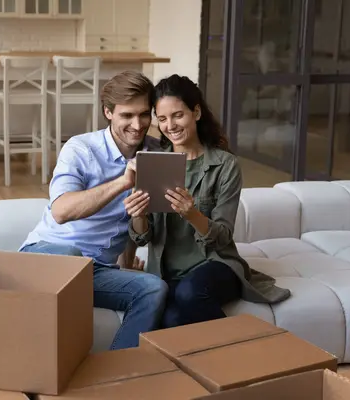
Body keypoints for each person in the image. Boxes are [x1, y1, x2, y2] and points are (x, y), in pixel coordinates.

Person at [125, 74, 291, 329]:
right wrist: (137, 215)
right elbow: (143, 238)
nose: (170, 125)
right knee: (171, 319)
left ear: (196, 112)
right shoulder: (154, 163)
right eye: (162, 119)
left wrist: (191, 213)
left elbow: (223, 237)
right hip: (167, 272)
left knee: (189, 293)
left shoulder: (225, 165)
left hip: (216, 264)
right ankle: (237, 355)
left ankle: (245, 347)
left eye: (178, 115)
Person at [19, 70, 168, 350]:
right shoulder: (81, 148)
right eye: (127, 115)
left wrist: (126, 265)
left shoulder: (155, 152)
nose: (137, 125)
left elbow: (129, 219)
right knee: (73, 257)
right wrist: (123, 181)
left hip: (96, 271)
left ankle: (118, 375)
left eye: (144, 114)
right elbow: (61, 211)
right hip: (48, 256)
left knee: (154, 288)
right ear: (108, 112)